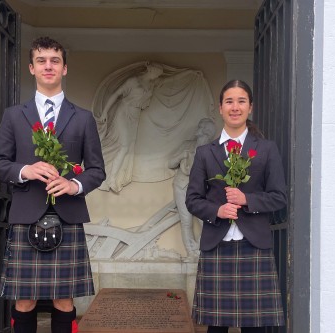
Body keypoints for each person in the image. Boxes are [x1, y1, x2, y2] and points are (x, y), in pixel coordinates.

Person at [0, 36, 105, 333]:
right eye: (41, 61)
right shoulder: (14, 116)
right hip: (26, 214)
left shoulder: (83, 119)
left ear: (65, 68)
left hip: (67, 214)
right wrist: (26, 169)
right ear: (32, 68)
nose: (48, 66)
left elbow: (96, 170)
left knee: (63, 301)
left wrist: (74, 185)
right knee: (25, 300)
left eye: (55, 60)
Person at [185, 80, 286, 333]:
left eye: (241, 101)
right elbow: (193, 199)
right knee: (216, 328)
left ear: (250, 107)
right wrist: (217, 211)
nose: (235, 107)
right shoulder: (205, 153)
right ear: (220, 108)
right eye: (229, 101)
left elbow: (278, 197)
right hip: (217, 245)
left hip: (254, 245)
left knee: (255, 328)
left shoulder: (266, 149)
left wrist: (247, 200)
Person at [97, 63, 164, 192]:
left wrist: (188, 73)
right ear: (150, 70)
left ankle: (114, 177)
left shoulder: (151, 84)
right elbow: (116, 94)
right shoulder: (133, 81)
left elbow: (171, 80)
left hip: (135, 116)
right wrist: (105, 111)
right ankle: (110, 179)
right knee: (124, 146)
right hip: (123, 112)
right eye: (156, 73)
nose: (157, 76)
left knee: (128, 148)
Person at [168, 118, 216, 258]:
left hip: (203, 189)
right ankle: (191, 254)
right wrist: (181, 156)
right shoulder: (187, 146)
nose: (197, 129)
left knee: (204, 221)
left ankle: (203, 250)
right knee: (186, 221)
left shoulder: (213, 150)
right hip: (182, 185)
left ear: (207, 132)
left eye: (200, 127)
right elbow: (170, 163)